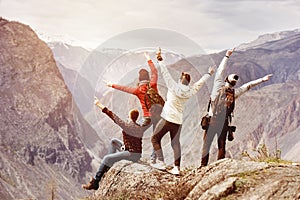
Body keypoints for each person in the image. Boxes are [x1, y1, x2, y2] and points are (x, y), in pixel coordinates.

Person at [200, 48, 273, 167]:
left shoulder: (217, 88)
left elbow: (220, 71)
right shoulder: (235, 93)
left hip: (211, 121)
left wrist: (227, 56)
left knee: (206, 145)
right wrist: (263, 79)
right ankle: (219, 167)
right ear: (234, 84)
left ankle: (203, 166)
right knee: (221, 145)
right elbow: (248, 86)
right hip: (223, 123)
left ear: (225, 80)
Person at [151, 49, 215, 175]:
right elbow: (199, 85)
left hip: (167, 118)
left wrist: (160, 59)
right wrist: (209, 74)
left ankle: (161, 162)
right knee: (175, 143)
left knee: (155, 138)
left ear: (180, 79)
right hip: (178, 121)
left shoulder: (173, 86)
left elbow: (165, 73)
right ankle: (177, 167)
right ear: (188, 82)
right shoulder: (190, 92)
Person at [104, 52, 161, 163]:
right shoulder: (153, 84)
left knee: (135, 132)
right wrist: (149, 59)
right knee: (156, 137)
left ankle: (132, 150)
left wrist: (111, 85)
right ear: (148, 77)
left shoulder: (138, 90)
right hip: (159, 116)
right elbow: (155, 72)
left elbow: (124, 88)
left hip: (147, 117)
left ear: (139, 79)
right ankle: (153, 159)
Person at [82, 97, 148, 190]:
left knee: (106, 158)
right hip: (133, 151)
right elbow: (134, 140)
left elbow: (112, 116)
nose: (127, 117)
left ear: (130, 117)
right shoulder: (139, 127)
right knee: (113, 141)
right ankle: (108, 164)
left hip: (132, 154)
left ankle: (95, 182)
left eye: (128, 116)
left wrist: (98, 104)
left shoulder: (127, 126)